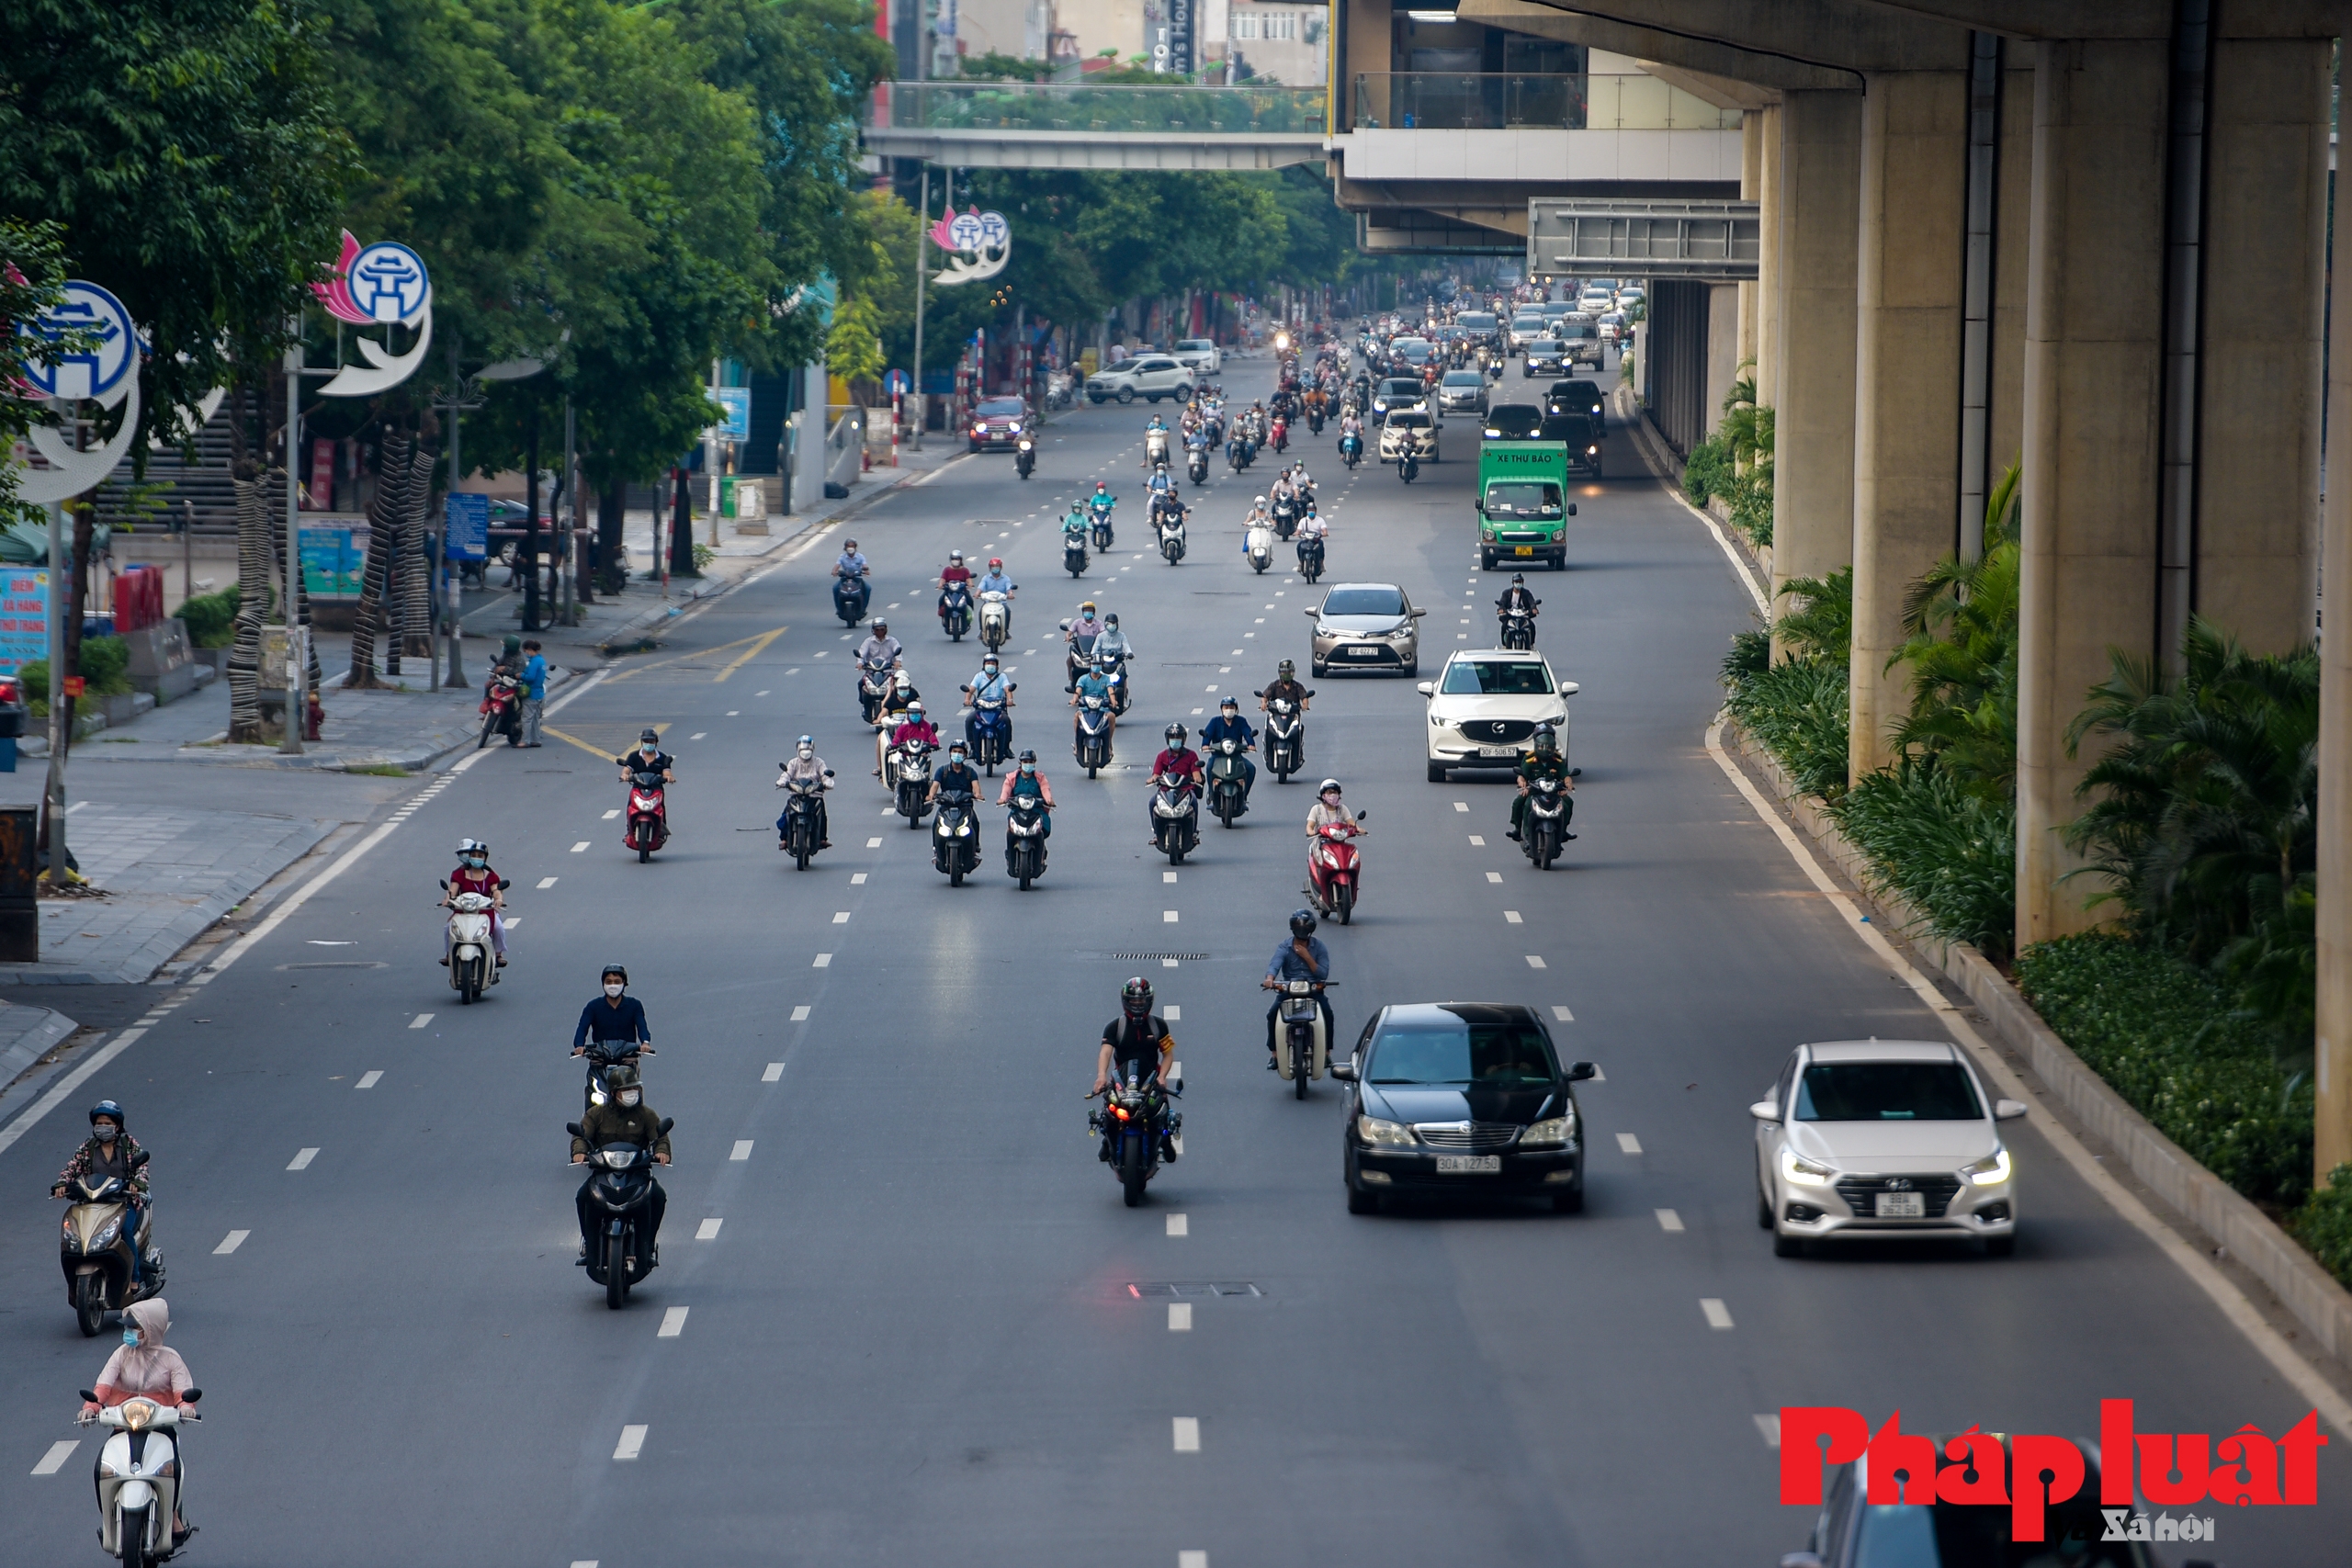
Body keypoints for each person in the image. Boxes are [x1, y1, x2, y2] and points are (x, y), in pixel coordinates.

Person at [77, 1297, 197, 1547]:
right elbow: (103, 1385)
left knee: (172, 1468)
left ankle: (173, 1517)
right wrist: (91, 1407)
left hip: (160, 1426)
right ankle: (109, 1520)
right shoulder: (121, 1355)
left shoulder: (171, 1359)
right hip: (123, 1424)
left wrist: (185, 1408)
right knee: (102, 1468)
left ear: (150, 1329)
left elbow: (183, 1392)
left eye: (135, 1328)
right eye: (128, 1327)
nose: (128, 1332)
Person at [571, 1063, 670, 1266]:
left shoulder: (646, 1114)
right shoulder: (596, 1115)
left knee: (658, 1197)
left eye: (634, 1088)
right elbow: (581, 1133)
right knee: (583, 1197)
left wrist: (662, 1152)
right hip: (603, 1173)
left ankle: (648, 1243)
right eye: (626, 1090)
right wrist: (579, 1152)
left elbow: (660, 1136)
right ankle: (589, 1244)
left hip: (637, 1173)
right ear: (614, 1093)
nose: (631, 1093)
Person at [52, 1101, 153, 1288]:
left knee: (125, 1232)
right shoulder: (88, 1147)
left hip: (122, 1202)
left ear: (117, 1126)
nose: (103, 1128)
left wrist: (137, 1184)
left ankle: (134, 1277)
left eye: (107, 1123)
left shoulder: (128, 1145)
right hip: (93, 1201)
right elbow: (72, 1167)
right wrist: (62, 1184)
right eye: (99, 1123)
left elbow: (142, 1168)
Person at [1093, 978, 1178, 1163]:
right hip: (1122, 1078)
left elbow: (1168, 1055)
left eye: (1141, 1001)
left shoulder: (1159, 1026)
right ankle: (1107, 1140)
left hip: (1150, 1078)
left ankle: (1165, 1138)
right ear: (1125, 1001)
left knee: (1162, 1106)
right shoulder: (1115, 1027)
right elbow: (1105, 1053)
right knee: (1109, 1107)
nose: (1138, 1005)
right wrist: (1101, 1077)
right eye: (1133, 1001)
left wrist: (1162, 1077)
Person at [1261, 908, 1334, 1070]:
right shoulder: (1284, 947)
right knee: (1272, 1014)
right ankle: (1275, 1055)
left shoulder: (1319, 947)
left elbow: (1323, 973)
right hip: (1289, 989)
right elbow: (1274, 965)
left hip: (1313, 990)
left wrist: (1307, 957)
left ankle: (1327, 1053)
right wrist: (1269, 979)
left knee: (1328, 1013)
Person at [438, 837, 508, 966]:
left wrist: (498, 899)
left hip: (486, 911)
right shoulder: (459, 873)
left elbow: (496, 890)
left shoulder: (491, 876)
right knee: (448, 929)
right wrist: (447, 899)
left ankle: (498, 954)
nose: (476, 858)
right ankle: (449, 954)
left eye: (480, 855)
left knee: (498, 928)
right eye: (474, 855)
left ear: (485, 858)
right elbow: (453, 890)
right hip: (463, 910)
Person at [1508, 722, 1576, 843]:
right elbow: (1522, 775)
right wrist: (1523, 784)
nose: (1545, 749)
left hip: (1554, 791)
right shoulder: (1529, 759)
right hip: (1533, 790)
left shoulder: (1557, 760)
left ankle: (1563, 830)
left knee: (1567, 804)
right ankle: (1519, 830)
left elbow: (1565, 775)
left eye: (1549, 747)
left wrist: (1568, 784)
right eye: (1542, 746)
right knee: (1521, 803)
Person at [573, 964, 653, 1056]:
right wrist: (579, 1045)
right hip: (599, 1057)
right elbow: (582, 1027)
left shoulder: (634, 1005)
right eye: (609, 982)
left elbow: (642, 1026)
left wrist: (645, 1043)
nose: (613, 985)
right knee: (595, 1069)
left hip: (627, 1056)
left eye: (617, 982)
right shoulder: (593, 1006)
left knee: (628, 1070)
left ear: (624, 983)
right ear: (603, 983)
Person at [775, 735, 831, 850]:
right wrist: (782, 782)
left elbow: (825, 775)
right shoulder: (793, 763)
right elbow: (786, 774)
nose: (805, 753)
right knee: (786, 814)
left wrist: (827, 783)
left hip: (814, 795)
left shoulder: (818, 762)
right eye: (803, 750)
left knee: (822, 813)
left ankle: (822, 838)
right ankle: (784, 838)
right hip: (796, 794)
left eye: (808, 749)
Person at [1148, 723, 1202, 844]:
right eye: (1172, 738)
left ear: (1183, 739)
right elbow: (1156, 774)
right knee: (1152, 803)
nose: (1175, 741)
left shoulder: (1192, 755)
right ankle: (1157, 833)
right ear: (1168, 739)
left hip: (1185, 789)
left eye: (1178, 738)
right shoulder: (1161, 756)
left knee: (1193, 801)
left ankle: (1193, 832)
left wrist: (1197, 777)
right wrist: (1153, 779)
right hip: (1166, 790)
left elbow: (1196, 772)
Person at [1199, 695, 1258, 795]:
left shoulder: (1241, 721)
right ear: (1221, 709)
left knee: (1251, 768)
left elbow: (1247, 733)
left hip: (1236, 756)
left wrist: (1251, 744)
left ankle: (1244, 795)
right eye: (1226, 707)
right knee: (1209, 767)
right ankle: (1211, 793)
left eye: (1231, 707)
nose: (1229, 710)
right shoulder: (1215, 721)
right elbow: (1207, 734)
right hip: (1218, 756)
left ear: (1236, 709)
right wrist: (1205, 745)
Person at [998, 748, 1054, 838]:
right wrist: (1002, 799)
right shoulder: (1012, 778)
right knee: (1010, 832)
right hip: (1017, 810)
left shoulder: (1040, 778)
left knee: (1043, 827)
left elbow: (1045, 789)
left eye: (1030, 762)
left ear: (1034, 763)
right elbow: (1006, 789)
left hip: (1036, 810)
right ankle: (1010, 851)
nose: (1028, 764)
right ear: (1020, 763)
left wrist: (1049, 800)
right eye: (1025, 762)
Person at [1070, 656, 1118, 741]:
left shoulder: (1106, 679)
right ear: (1090, 665)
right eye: (1094, 664)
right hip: (1085, 709)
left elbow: (1111, 691)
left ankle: (1109, 743)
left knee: (1111, 717)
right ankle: (1077, 743)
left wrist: (1113, 700)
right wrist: (1074, 699)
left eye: (1098, 664)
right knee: (1077, 716)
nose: (1096, 666)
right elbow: (1078, 691)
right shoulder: (1083, 679)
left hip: (1102, 709)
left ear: (1101, 665)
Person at [928, 739, 981, 808]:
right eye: (954, 751)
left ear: (965, 754)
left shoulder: (970, 772)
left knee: (974, 819)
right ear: (950, 753)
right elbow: (935, 785)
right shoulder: (942, 770)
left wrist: (977, 794)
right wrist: (931, 795)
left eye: (960, 752)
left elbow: (976, 785)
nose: (957, 754)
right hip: (946, 807)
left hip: (965, 806)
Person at [1064, 601, 1103, 690]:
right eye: (1086, 610)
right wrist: (1068, 637)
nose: (1088, 612)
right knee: (1070, 660)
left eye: (1090, 610)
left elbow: (1103, 633)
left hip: (1095, 650)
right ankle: (1072, 680)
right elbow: (1069, 632)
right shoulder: (1077, 622)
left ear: (1094, 612)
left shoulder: (1098, 623)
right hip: (1081, 650)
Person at [517, 639, 547, 747]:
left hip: (531, 692)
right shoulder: (541, 660)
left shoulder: (534, 662)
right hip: (539, 693)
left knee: (526, 718)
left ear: (530, 650)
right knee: (535, 718)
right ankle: (536, 739)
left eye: (526, 651)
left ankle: (525, 740)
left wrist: (521, 675)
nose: (526, 653)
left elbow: (530, 677)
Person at [936, 550, 973, 625]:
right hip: (949, 592)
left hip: (962, 592)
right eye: (953, 559)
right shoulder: (947, 570)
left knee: (970, 600)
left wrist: (970, 584)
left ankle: (969, 616)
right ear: (951, 560)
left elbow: (968, 579)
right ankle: (943, 616)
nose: (955, 561)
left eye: (957, 559)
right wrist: (940, 585)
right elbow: (943, 579)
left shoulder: (964, 570)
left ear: (960, 560)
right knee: (941, 600)